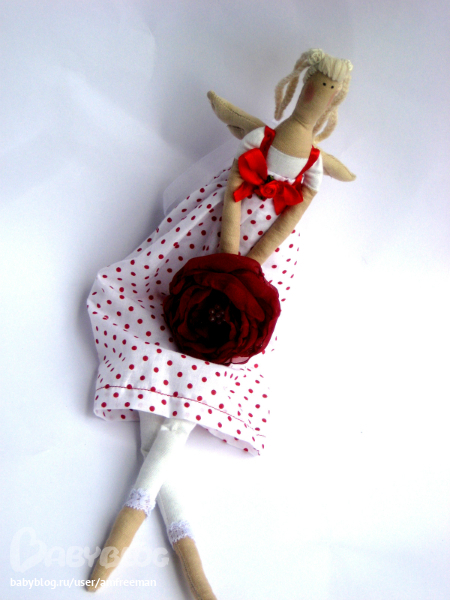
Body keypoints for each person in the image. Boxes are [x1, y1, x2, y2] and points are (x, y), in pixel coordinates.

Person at [87, 49, 354, 599]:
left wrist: (252, 263)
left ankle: (160, 535)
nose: (317, 96)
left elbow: (300, 207)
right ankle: (180, 554)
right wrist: (230, 255)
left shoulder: (313, 163)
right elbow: (232, 176)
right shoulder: (262, 139)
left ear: (333, 101)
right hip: (211, 245)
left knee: (227, 349)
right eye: (316, 86)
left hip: (264, 263)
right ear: (302, 84)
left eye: (327, 92)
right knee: (166, 325)